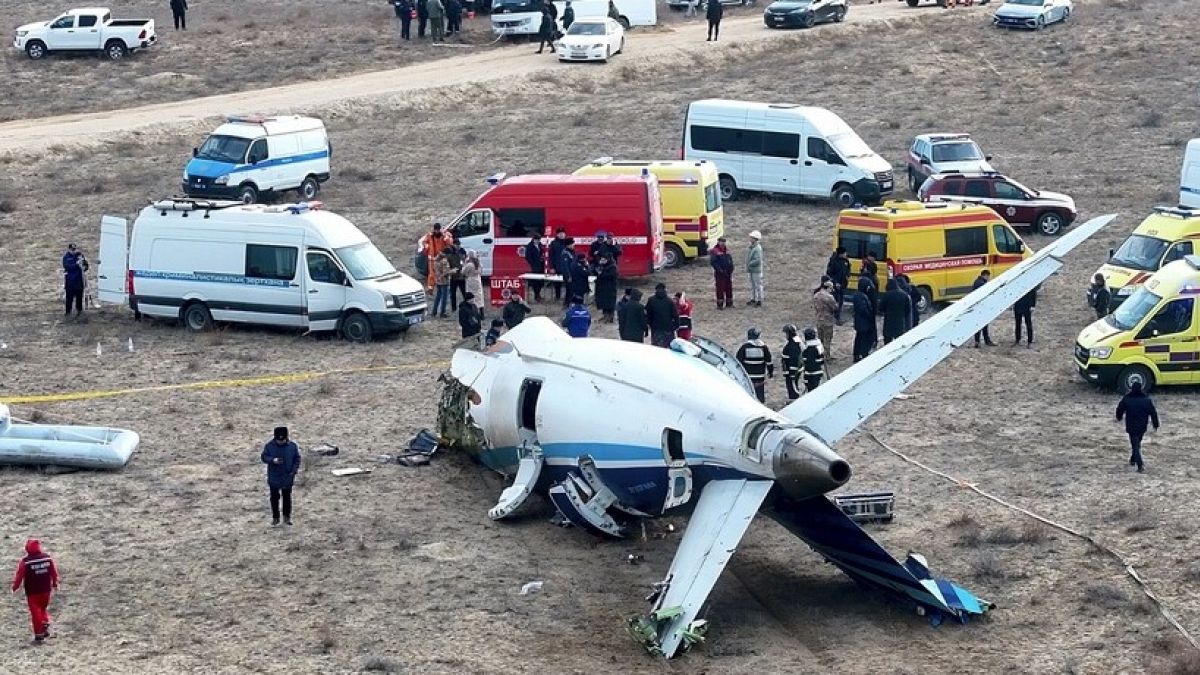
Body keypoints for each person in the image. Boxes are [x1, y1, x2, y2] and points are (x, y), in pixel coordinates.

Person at [11, 539, 59, 643]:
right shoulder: (47, 558)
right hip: (46, 590)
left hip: (33, 592)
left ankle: (39, 634)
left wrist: (15, 587)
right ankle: (45, 625)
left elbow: (19, 575)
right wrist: (55, 583)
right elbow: (54, 572)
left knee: (35, 612)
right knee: (43, 608)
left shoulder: (26, 562)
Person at [261, 427, 301, 526]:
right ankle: (275, 517)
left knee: (287, 497)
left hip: (287, 477)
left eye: (282, 440)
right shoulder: (269, 446)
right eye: (279, 440)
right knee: (274, 498)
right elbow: (264, 457)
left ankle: (287, 517)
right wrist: (272, 460)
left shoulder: (292, 446)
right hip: (274, 477)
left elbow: (297, 458)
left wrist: (294, 470)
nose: (281, 442)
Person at [1116, 381, 1159, 473]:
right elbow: (1153, 412)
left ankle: (1139, 464)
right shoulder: (1146, 400)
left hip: (1131, 425)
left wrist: (1119, 417)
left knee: (1135, 444)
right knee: (1137, 443)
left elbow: (1120, 409)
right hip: (1142, 426)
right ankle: (1133, 460)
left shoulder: (1127, 399)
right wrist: (1155, 424)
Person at [736, 328, 773, 403]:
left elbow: (737, 362)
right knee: (760, 395)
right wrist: (770, 372)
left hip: (748, 376)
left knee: (748, 395)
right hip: (760, 377)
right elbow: (769, 361)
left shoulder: (744, 347)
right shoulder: (764, 347)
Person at [419, 223, 453, 290]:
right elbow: (423, 242)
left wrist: (445, 236)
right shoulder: (429, 235)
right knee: (431, 273)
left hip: (442, 257)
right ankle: (431, 287)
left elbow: (449, 243)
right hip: (432, 258)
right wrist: (427, 247)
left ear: (440, 229)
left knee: (443, 272)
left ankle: (442, 285)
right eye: (436, 230)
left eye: (438, 230)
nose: (437, 231)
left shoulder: (445, 235)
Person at [644, 283, 679, 348]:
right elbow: (676, 315)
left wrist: (650, 324)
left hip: (656, 329)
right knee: (669, 349)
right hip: (668, 329)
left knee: (657, 349)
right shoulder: (670, 301)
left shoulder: (651, 300)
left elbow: (648, 314)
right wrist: (674, 327)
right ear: (665, 290)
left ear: (656, 290)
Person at [880, 279, 912, 345]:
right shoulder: (904, 295)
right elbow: (908, 310)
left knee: (887, 344)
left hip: (888, 322)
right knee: (899, 344)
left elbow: (880, 308)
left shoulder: (887, 295)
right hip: (900, 323)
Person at [852, 276, 877, 363]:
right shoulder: (860, 296)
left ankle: (858, 354)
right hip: (863, 322)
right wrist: (870, 315)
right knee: (862, 339)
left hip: (861, 321)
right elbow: (863, 309)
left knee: (859, 338)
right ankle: (861, 353)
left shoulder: (859, 295)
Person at [811, 279, 838, 360]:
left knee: (820, 339)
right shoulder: (829, 297)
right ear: (828, 288)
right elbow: (834, 307)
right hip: (827, 320)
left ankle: (820, 354)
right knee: (827, 339)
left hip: (819, 319)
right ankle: (826, 356)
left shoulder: (816, 295)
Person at [825, 247, 850, 323]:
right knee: (836, 301)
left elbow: (848, 269)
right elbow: (829, 274)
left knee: (841, 301)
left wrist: (847, 275)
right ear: (841, 254)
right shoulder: (833, 262)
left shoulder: (845, 260)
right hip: (835, 285)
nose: (846, 254)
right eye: (845, 253)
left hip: (843, 284)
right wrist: (835, 283)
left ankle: (837, 316)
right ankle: (836, 317)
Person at [972, 270, 996, 347]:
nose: (988, 278)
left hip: (978, 306)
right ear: (985, 275)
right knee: (983, 324)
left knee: (978, 325)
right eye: (988, 276)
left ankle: (978, 341)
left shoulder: (977, 282)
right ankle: (985, 341)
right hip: (982, 307)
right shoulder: (982, 284)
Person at [710, 236, 734, 309]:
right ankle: (720, 305)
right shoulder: (715, 251)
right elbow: (713, 262)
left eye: (724, 242)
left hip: (728, 273)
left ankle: (729, 303)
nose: (723, 243)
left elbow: (730, 260)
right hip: (720, 274)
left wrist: (731, 268)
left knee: (729, 288)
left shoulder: (727, 250)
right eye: (721, 242)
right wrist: (720, 270)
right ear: (718, 242)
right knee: (720, 289)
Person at [62, 243, 86, 319]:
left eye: (75, 249)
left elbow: (86, 266)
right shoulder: (66, 257)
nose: (73, 251)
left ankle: (79, 311)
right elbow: (67, 267)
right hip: (70, 281)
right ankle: (68, 312)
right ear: (69, 249)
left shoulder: (80, 255)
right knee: (69, 298)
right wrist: (77, 264)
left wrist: (84, 265)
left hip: (79, 280)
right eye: (72, 249)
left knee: (79, 297)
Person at [780, 324, 803, 401]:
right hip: (792, 371)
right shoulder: (795, 342)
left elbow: (794, 360)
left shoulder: (793, 345)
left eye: (786, 333)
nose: (785, 335)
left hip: (792, 372)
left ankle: (794, 401)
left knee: (792, 387)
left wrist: (792, 373)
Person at [593, 256, 618, 323]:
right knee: (603, 302)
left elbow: (611, 275)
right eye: (601, 259)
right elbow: (594, 270)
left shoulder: (612, 267)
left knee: (609, 303)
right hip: (602, 288)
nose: (602, 260)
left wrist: (601, 274)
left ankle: (610, 317)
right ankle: (605, 315)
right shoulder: (602, 266)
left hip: (609, 288)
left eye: (604, 259)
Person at [801, 327, 825, 392]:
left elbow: (804, 361)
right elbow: (822, 361)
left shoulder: (805, 349)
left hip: (808, 374)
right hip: (818, 374)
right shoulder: (818, 347)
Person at [548, 228, 569, 303]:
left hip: (567, 267)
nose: (561, 235)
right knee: (557, 284)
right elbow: (551, 256)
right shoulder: (553, 243)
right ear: (557, 235)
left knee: (568, 283)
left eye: (563, 233)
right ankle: (557, 297)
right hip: (557, 267)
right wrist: (552, 267)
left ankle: (568, 298)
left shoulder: (568, 242)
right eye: (560, 233)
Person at [444, 240, 465, 311]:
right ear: (454, 245)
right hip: (454, 277)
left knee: (464, 293)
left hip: (461, 276)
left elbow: (465, 261)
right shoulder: (450, 252)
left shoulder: (463, 251)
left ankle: (466, 306)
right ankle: (453, 308)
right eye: (457, 245)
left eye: (459, 245)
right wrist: (451, 271)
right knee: (453, 294)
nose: (458, 246)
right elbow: (447, 264)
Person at [524, 234, 545, 302]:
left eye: (539, 240)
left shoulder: (540, 245)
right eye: (536, 240)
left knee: (541, 281)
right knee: (535, 281)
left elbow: (543, 252)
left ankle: (538, 294)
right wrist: (533, 263)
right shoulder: (530, 246)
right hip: (534, 266)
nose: (537, 241)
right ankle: (536, 295)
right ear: (533, 239)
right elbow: (527, 256)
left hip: (541, 265)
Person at [431, 252, 451, 318]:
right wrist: (451, 271)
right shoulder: (444, 261)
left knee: (438, 297)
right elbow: (445, 272)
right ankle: (442, 312)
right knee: (444, 298)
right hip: (444, 281)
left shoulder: (436, 261)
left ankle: (434, 312)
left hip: (438, 280)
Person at [746, 230, 764, 307]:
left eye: (751, 237)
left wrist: (750, 264)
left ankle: (759, 300)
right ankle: (753, 299)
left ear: (755, 239)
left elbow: (758, 260)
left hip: (756, 270)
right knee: (753, 285)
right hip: (752, 269)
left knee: (758, 285)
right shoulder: (752, 247)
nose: (750, 239)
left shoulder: (757, 248)